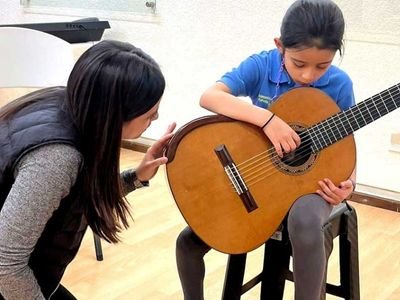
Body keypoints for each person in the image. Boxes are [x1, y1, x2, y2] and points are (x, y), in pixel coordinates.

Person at [176, 0, 356, 299]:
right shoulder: (261, 65)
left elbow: (346, 148)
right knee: (187, 242)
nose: (309, 75)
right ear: (280, 46)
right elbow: (210, 96)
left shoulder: (339, 85)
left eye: (322, 66)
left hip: (309, 188)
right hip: (256, 182)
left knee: (305, 220)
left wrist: (347, 185)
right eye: (299, 63)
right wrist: (268, 119)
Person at [0, 40, 175, 299]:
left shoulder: (69, 103)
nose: (156, 119)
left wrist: (136, 177)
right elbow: (6, 265)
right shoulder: (57, 158)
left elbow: (80, 195)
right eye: (150, 114)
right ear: (115, 114)